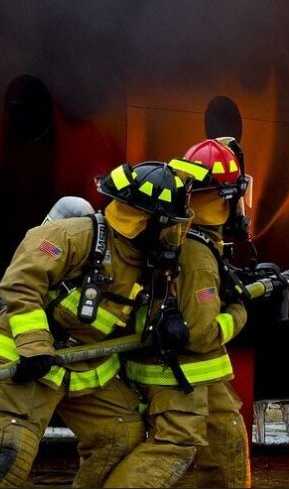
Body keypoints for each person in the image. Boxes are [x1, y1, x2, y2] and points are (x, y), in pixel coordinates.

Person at [0, 161, 194, 488]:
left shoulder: (148, 263)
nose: (174, 237)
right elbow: (22, 285)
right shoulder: (71, 236)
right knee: (8, 452)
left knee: (120, 437)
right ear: (147, 221)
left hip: (85, 368)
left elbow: (133, 316)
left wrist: (165, 321)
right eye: (170, 226)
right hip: (26, 363)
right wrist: (35, 347)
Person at [104, 138, 252, 488]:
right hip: (180, 375)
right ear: (227, 198)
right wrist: (239, 310)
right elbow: (201, 333)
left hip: (191, 376)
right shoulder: (198, 256)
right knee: (175, 450)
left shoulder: (182, 237)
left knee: (223, 445)